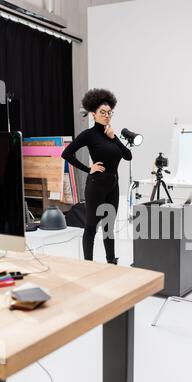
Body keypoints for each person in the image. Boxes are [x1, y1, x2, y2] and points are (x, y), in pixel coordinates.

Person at [62, 88, 132, 264]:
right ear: (94, 114)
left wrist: (115, 137)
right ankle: (88, 264)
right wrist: (88, 168)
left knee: (108, 227)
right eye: (103, 112)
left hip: (113, 186)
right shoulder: (89, 135)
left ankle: (110, 261)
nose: (107, 116)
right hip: (96, 186)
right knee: (91, 226)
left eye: (109, 113)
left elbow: (128, 155)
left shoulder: (111, 136)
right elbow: (67, 154)